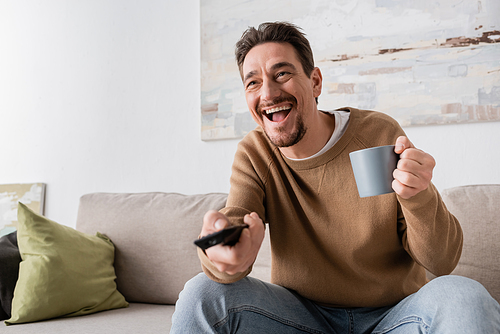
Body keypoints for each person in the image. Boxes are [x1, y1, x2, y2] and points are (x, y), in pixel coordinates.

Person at [171, 22, 500, 333]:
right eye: (253, 82)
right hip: (301, 317)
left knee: (464, 297)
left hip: (394, 317)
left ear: (315, 82)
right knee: (202, 294)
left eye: (281, 73)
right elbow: (237, 216)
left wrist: (418, 196)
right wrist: (221, 247)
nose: (268, 92)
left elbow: (442, 261)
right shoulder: (256, 153)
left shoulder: (376, 133)